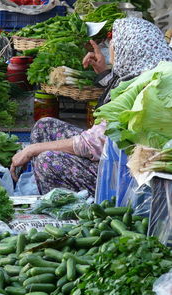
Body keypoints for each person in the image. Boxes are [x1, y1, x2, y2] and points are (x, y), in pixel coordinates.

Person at [10, 17, 172, 197]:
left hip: (125, 178)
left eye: (113, 46)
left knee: (47, 161)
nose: (111, 51)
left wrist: (32, 149)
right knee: (44, 126)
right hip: (112, 156)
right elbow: (118, 92)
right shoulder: (148, 71)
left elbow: (92, 143)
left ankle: (71, 211)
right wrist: (103, 72)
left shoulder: (147, 88)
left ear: (130, 50)